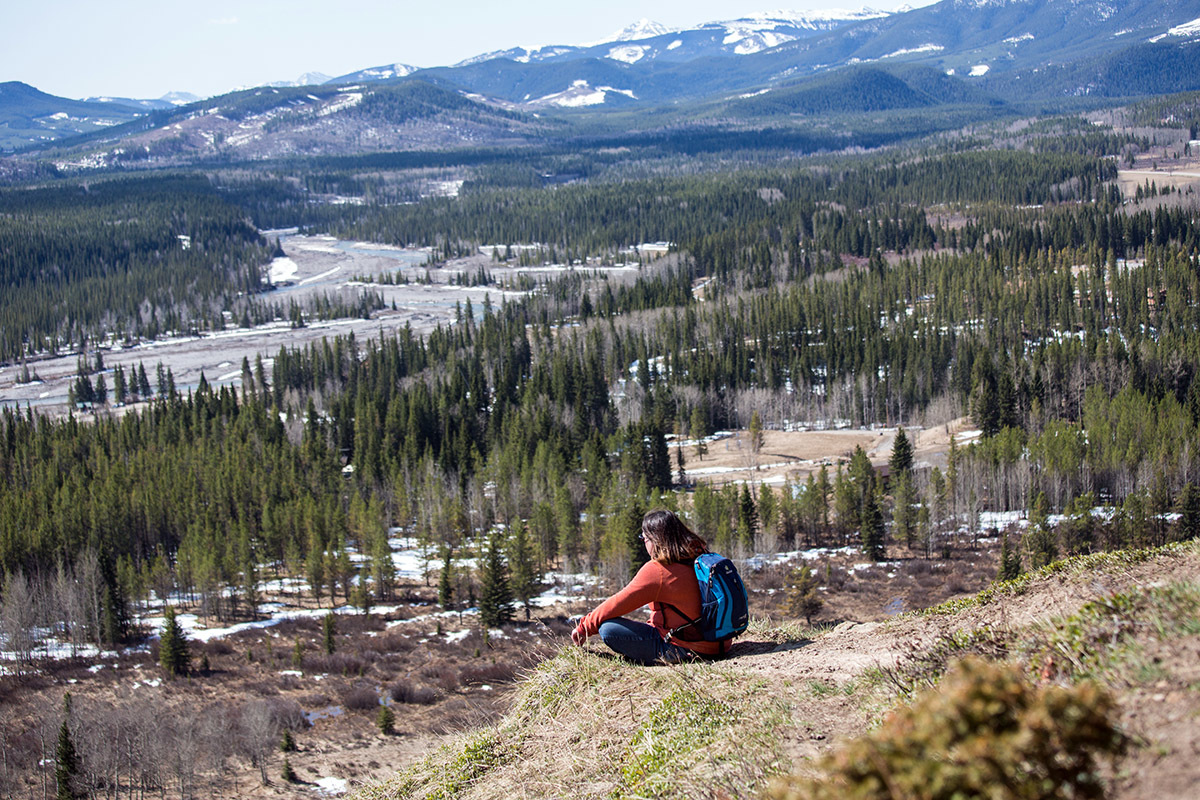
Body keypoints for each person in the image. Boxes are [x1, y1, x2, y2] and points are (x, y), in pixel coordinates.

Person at [571, 509, 723, 664]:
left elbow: (618, 603)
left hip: (686, 649)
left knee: (608, 629)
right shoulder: (701, 556)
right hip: (720, 644)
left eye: (644, 539)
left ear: (653, 540)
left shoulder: (659, 570)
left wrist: (584, 627)